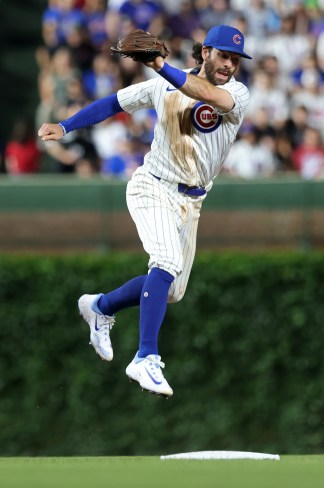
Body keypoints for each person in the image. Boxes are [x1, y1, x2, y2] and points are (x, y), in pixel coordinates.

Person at [37, 24, 252, 398]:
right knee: (165, 263)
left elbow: (206, 94)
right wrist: (65, 125)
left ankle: (100, 307)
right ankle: (145, 357)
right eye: (223, 55)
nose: (229, 64)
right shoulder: (161, 84)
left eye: (235, 59)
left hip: (192, 201)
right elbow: (115, 102)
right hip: (152, 185)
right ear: (205, 53)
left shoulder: (236, 93)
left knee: (171, 290)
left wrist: (160, 65)